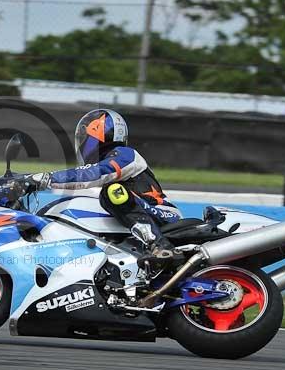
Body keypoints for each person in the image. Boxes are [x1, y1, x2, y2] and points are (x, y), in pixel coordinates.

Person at [28, 108, 182, 261]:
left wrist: (45, 178)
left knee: (113, 192)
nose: (82, 141)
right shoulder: (118, 157)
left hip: (164, 214)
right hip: (148, 212)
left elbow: (95, 173)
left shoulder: (126, 154)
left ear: (97, 133)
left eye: (84, 136)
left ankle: (160, 245)